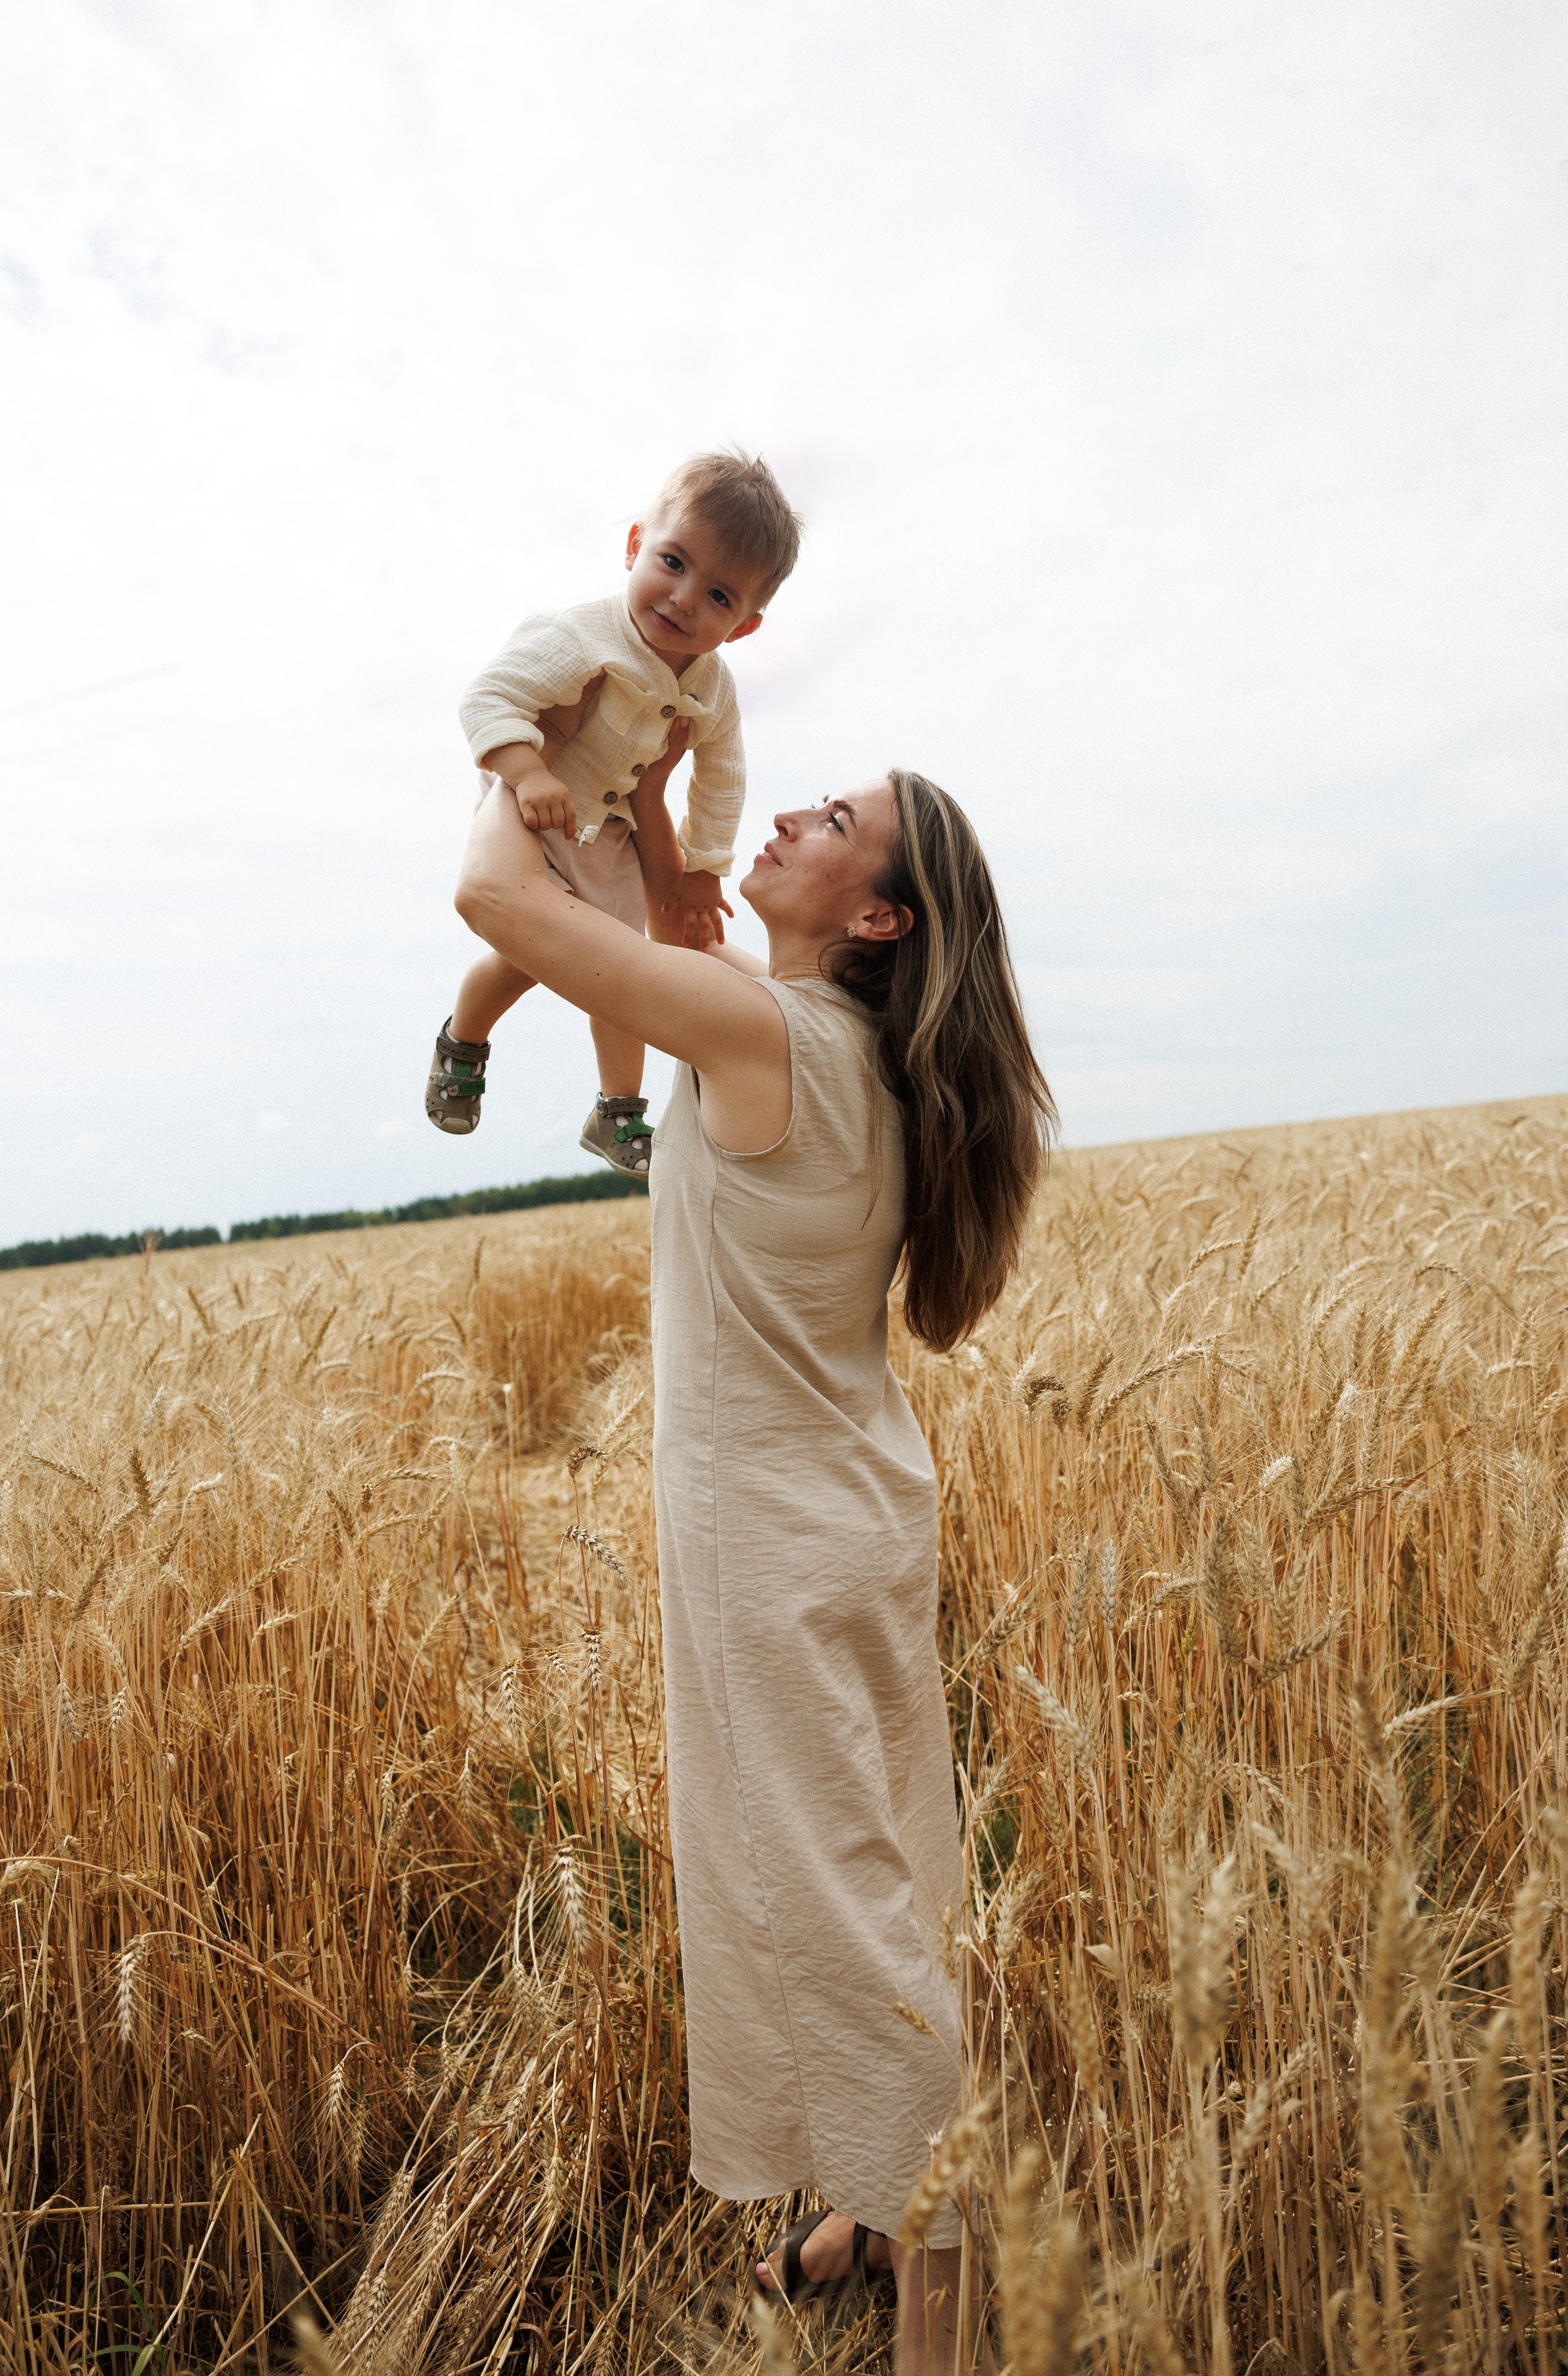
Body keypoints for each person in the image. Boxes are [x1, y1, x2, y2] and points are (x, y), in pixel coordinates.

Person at [453, 742, 1055, 2375]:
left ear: (876, 913)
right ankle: (866, 2213)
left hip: (771, 1554)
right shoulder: (835, 1040)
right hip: (858, 1518)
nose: (788, 812)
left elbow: (495, 893)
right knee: (898, 1873)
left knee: (843, 1918)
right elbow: (660, 907)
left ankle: (938, 2311)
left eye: (833, 822)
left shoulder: (756, 1028)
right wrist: (652, 792)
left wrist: (539, 737)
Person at [426, 449, 803, 1174]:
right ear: (634, 545)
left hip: (616, 835)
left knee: (623, 967)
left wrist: (702, 871)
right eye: (672, 562)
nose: (685, 598)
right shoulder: (581, 634)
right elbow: (487, 699)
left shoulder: (714, 689)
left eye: (720, 597)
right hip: (536, 818)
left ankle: (616, 1110)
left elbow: (722, 779)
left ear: (746, 626)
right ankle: (462, 1042)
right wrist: (526, 770)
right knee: (517, 964)